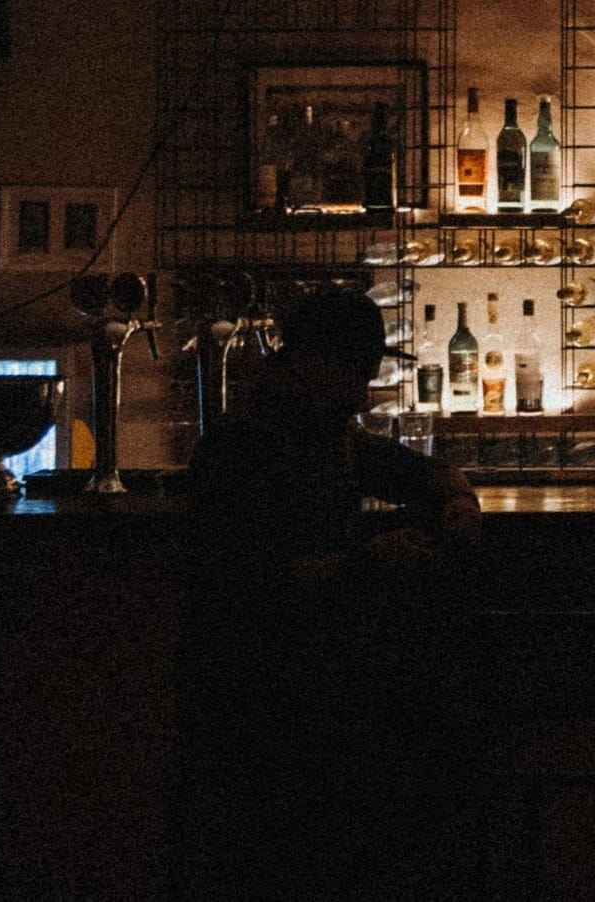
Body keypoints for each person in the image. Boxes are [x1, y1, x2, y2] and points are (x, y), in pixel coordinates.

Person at [178, 289, 482, 902]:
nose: (362, 395)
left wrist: (454, 492)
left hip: (309, 689)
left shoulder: (320, 430)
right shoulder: (242, 449)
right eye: (356, 377)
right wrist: (367, 561)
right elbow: (247, 587)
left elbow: (407, 469)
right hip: (269, 700)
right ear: (312, 364)